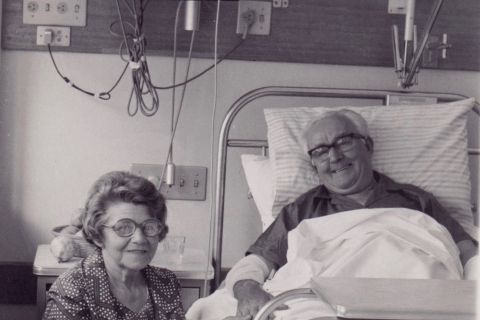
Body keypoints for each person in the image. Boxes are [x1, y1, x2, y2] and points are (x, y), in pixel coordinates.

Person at [224, 109, 478, 318]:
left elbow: (467, 253)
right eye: (320, 151)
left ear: (368, 146)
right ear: (313, 163)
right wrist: (247, 288)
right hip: (326, 303)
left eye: (344, 141)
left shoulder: (416, 200)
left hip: (412, 297)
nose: (334, 156)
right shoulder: (301, 209)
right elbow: (256, 262)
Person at [43, 171, 185, 320]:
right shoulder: (72, 291)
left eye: (149, 227)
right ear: (98, 235)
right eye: (123, 227)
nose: (139, 238)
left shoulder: (167, 283)